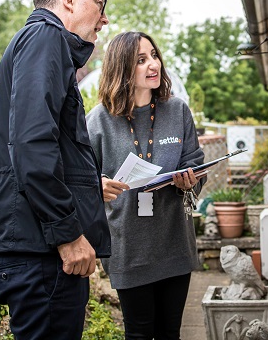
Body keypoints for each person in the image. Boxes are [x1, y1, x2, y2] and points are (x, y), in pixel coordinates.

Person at [0, 0, 111, 339]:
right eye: (100, 4)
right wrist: (67, 235)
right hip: (43, 253)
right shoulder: (45, 37)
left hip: (36, 248)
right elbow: (32, 145)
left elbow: (43, 146)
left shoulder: (40, 41)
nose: (105, 18)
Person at [86, 31, 206, 340]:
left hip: (173, 242)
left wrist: (189, 182)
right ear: (121, 68)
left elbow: (197, 165)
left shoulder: (177, 110)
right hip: (128, 248)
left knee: (170, 333)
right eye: (141, 60)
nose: (153, 65)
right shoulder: (98, 121)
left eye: (154, 55)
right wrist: (97, 184)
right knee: (138, 333)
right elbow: (79, 179)